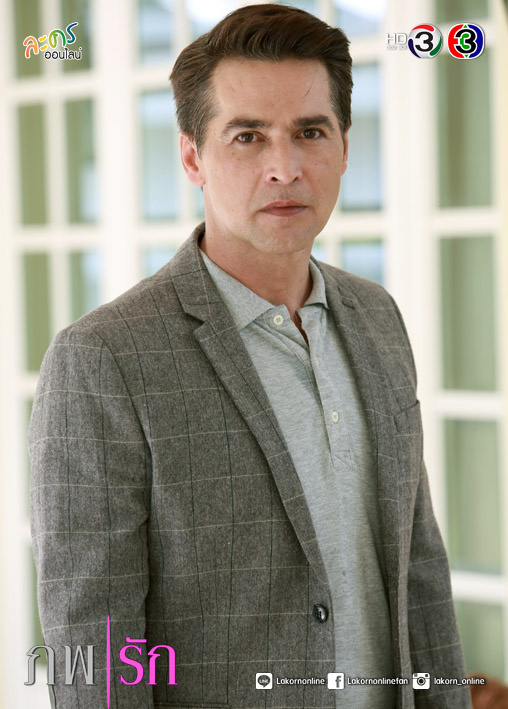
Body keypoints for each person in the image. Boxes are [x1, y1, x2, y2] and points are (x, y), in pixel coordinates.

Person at [29, 4, 471, 708]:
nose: (284, 168)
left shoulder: (378, 318)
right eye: (248, 136)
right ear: (192, 157)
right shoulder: (103, 359)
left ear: (344, 148)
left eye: (310, 132)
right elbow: (97, 656)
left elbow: (418, 569)